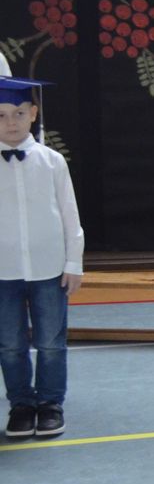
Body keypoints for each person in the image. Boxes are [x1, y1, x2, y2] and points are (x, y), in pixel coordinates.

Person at [0, 70, 82, 440]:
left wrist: (73, 262)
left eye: (19, 113)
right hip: (3, 271)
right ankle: (21, 404)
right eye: (1, 115)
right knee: (10, 344)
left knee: (51, 341)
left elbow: (69, 215)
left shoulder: (53, 162)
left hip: (49, 269)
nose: (11, 122)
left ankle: (50, 403)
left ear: (33, 114)